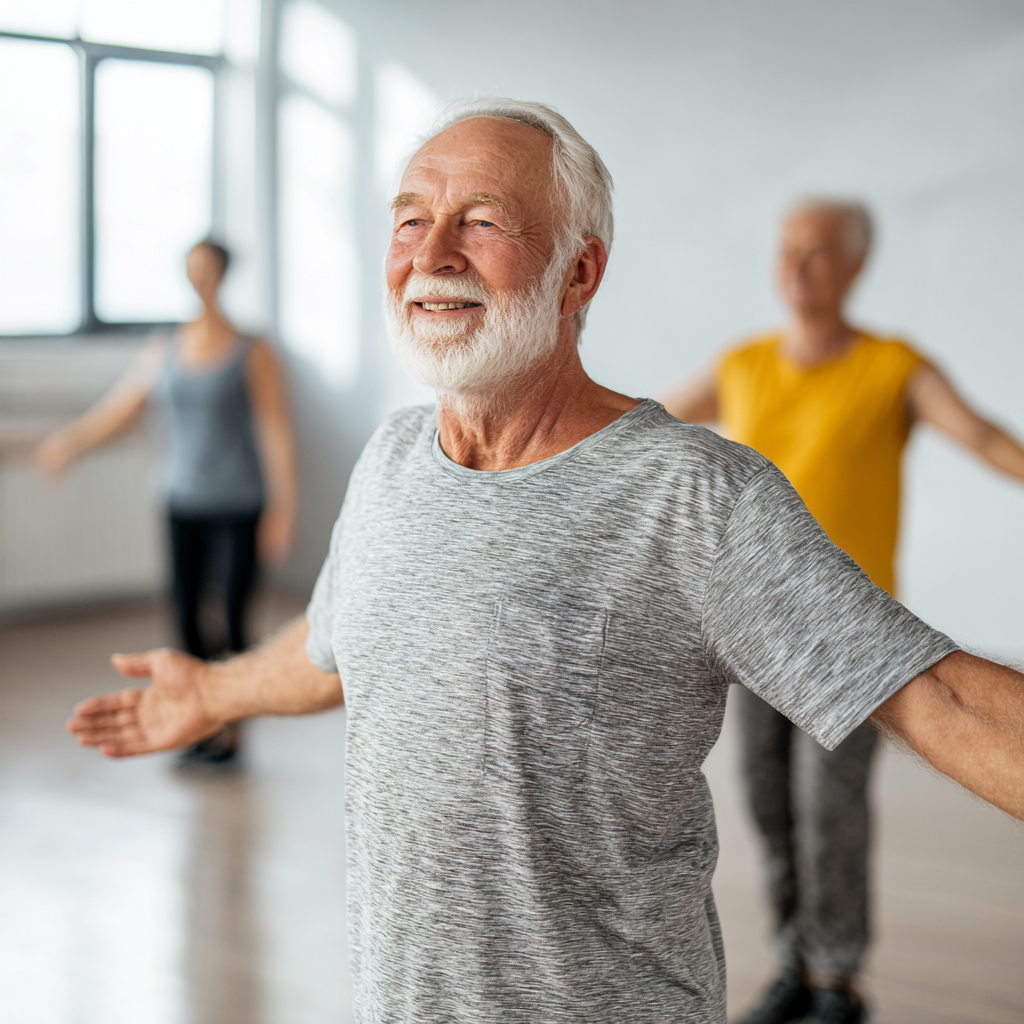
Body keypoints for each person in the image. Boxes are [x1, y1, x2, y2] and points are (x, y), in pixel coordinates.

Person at [68, 101, 1024, 1024]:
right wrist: (216, 694)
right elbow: (333, 649)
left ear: (580, 272)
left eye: (481, 221)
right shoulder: (393, 462)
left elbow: (939, 701)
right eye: (410, 219)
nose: (432, 253)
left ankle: (830, 973)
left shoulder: (692, 494)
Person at [663, 199, 1024, 1023]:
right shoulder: (743, 365)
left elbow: (978, 432)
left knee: (831, 807)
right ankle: (796, 961)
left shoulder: (894, 368)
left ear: (856, 267)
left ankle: (839, 981)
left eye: (818, 253)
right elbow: (640, 426)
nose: (797, 269)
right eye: (788, 252)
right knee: (765, 798)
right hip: (750, 629)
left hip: (852, 636)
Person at [39, 239, 297, 764]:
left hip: (239, 503)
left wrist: (283, 508)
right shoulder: (166, 346)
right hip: (181, 499)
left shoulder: (252, 349)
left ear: (223, 275)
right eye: (192, 270)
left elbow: (274, 430)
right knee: (184, 617)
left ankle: (232, 729)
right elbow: (123, 408)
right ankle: (194, 725)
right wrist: (72, 442)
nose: (199, 279)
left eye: (208, 270)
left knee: (229, 615)